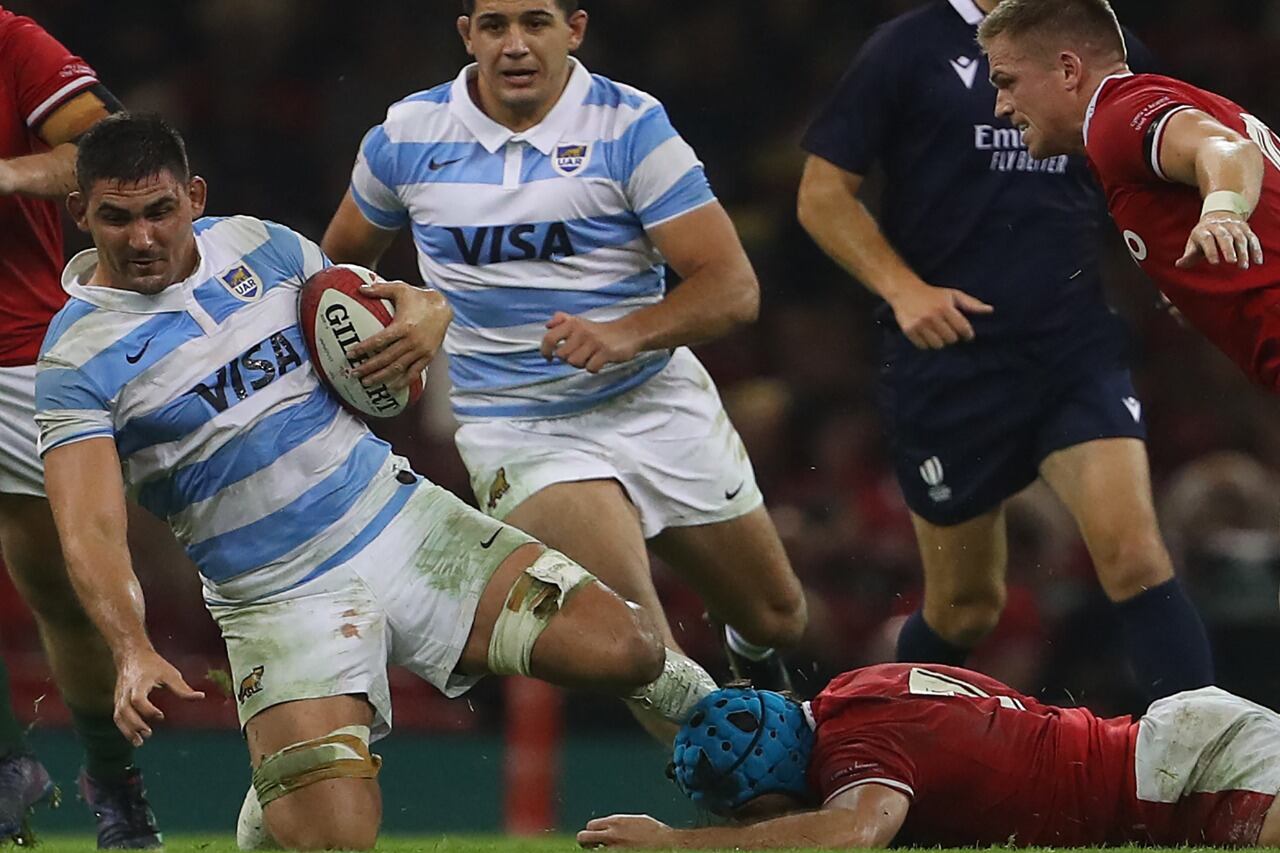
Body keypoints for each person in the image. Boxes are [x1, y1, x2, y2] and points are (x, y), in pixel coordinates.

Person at [37, 113, 722, 851]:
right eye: (116, 217)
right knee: (335, 842)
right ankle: (280, 794)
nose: (141, 238)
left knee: (632, 648)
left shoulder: (266, 246)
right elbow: (89, 528)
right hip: (277, 592)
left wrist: (431, 317)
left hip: (403, 520)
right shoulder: (75, 358)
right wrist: (131, 645)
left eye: (159, 211)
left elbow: (390, 304)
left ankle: (765, 743)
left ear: (194, 197)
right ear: (81, 213)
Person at [320, 0, 807, 714]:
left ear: (574, 30)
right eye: (494, 26)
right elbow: (335, 273)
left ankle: (753, 662)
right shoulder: (407, 135)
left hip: (654, 399)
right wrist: (415, 314)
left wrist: (628, 331)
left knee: (778, 616)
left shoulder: (631, 126)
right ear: (468, 36)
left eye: (535, 23)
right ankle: (752, 814)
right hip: (519, 427)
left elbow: (734, 290)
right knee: (643, 648)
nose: (515, 45)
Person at [795, 0, 1213, 701]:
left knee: (1135, 556)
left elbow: (1160, 169)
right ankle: (854, 736)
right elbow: (821, 195)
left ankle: (1216, 770)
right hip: (951, 359)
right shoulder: (906, 49)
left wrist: (1181, 266)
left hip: (1073, 347)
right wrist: (903, 290)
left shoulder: (1107, 44)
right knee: (965, 606)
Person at [0, 6, 169, 846]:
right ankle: (4, 773)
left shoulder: (11, 44)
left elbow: (106, 150)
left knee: (60, 595)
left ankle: (113, 785)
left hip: (17, 355)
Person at [579, 664, 1280, 849]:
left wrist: (675, 844)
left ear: (775, 773)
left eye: (749, 813)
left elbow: (850, 833)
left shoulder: (858, 747)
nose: (750, 829)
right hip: (1165, 752)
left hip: (1177, 775)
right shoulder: (852, 691)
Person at [978, 0, 1280, 394]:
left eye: (1006, 81)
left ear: (1068, 70)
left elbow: (1227, 149)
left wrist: (1223, 213)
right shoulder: (1165, 102)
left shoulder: (1116, 118)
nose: (1001, 107)